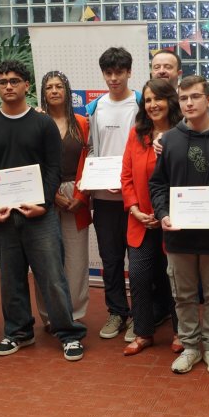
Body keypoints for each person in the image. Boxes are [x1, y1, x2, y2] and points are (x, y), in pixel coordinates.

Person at [0, 60, 86, 361]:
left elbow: (53, 167)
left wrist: (44, 204)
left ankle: (68, 333)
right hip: (2, 216)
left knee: (51, 276)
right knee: (10, 278)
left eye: (14, 80)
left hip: (40, 215)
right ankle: (18, 332)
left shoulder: (42, 123)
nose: (8, 85)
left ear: (25, 85)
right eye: (2, 81)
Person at [149, 75, 209, 374]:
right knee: (183, 294)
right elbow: (158, 184)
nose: (189, 103)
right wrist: (163, 213)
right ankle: (190, 346)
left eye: (195, 97)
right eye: (184, 98)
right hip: (179, 235)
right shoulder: (170, 140)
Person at [121, 79, 183, 356]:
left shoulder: (184, 133)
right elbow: (126, 177)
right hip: (141, 220)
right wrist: (134, 209)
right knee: (138, 276)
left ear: (170, 101)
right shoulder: (137, 134)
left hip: (175, 221)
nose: (152, 105)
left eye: (158, 98)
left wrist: (167, 212)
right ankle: (143, 331)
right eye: (147, 100)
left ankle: (182, 332)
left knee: (177, 279)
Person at [85, 47, 141, 340]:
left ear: (129, 72)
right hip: (105, 200)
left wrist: (127, 182)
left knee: (140, 262)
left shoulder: (141, 104)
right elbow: (93, 149)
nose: (114, 78)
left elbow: (143, 150)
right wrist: (98, 178)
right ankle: (117, 312)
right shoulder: (96, 108)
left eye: (119, 72)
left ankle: (140, 316)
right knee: (111, 260)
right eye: (108, 73)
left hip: (136, 201)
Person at [34, 71, 91, 326]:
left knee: (76, 259)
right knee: (47, 258)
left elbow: (89, 160)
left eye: (59, 86)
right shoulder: (35, 122)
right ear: (43, 93)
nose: (54, 91)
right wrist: (51, 195)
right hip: (45, 194)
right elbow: (31, 161)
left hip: (76, 192)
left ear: (67, 92)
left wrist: (80, 195)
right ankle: (49, 316)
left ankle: (74, 314)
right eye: (49, 87)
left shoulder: (82, 122)